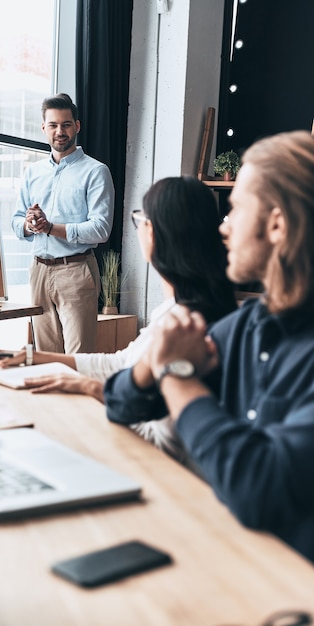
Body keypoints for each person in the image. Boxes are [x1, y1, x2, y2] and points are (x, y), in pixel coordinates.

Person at [103, 131, 314, 562]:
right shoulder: (243, 328)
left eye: (235, 208)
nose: (224, 226)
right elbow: (120, 404)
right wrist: (153, 365)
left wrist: (177, 379)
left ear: (276, 223)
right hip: (231, 561)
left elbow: (259, 487)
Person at [0, 176, 237, 461]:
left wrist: (89, 390)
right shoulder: (177, 310)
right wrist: (28, 356)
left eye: (140, 219)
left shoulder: (184, 325)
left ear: (152, 233)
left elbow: (165, 442)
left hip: (150, 464)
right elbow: (118, 364)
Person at [11, 93, 115, 354]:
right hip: (38, 272)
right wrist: (29, 224)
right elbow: (15, 221)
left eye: (66, 124)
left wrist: (50, 228)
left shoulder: (95, 171)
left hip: (76, 271)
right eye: (54, 125)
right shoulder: (32, 172)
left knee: (79, 357)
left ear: (77, 126)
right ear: (44, 128)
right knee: (45, 356)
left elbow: (101, 229)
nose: (60, 131)